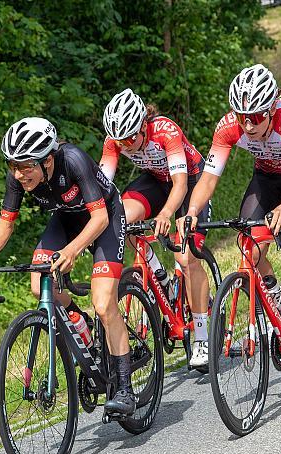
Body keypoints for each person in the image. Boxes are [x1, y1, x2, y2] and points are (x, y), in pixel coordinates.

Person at [0, 117, 136, 416]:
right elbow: (6, 224)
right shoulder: (18, 176)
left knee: (103, 302)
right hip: (66, 218)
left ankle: (124, 387)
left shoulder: (73, 160)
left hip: (104, 216)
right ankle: (79, 324)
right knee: (39, 286)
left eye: (25, 166)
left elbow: (99, 219)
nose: (18, 174)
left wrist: (72, 250)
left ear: (47, 160)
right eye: (12, 166)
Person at [178, 64, 281, 345]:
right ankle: (274, 299)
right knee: (248, 247)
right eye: (242, 116)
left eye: (255, 117)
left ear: (271, 110)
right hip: (267, 175)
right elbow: (207, 180)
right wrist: (192, 211)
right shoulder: (229, 127)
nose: (248, 125)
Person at [100, 89, 212, 368]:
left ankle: (201, 336)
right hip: (154, 180)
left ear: (142, 125)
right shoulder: (115, 142)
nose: (126, 146)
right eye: (120, 142)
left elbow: (181, 185)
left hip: (189, 181)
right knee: (121, 216)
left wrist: (165, 213)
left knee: (186, 257)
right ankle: (160, 278)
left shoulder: (165, 131)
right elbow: (101, 188)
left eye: (130, 138)